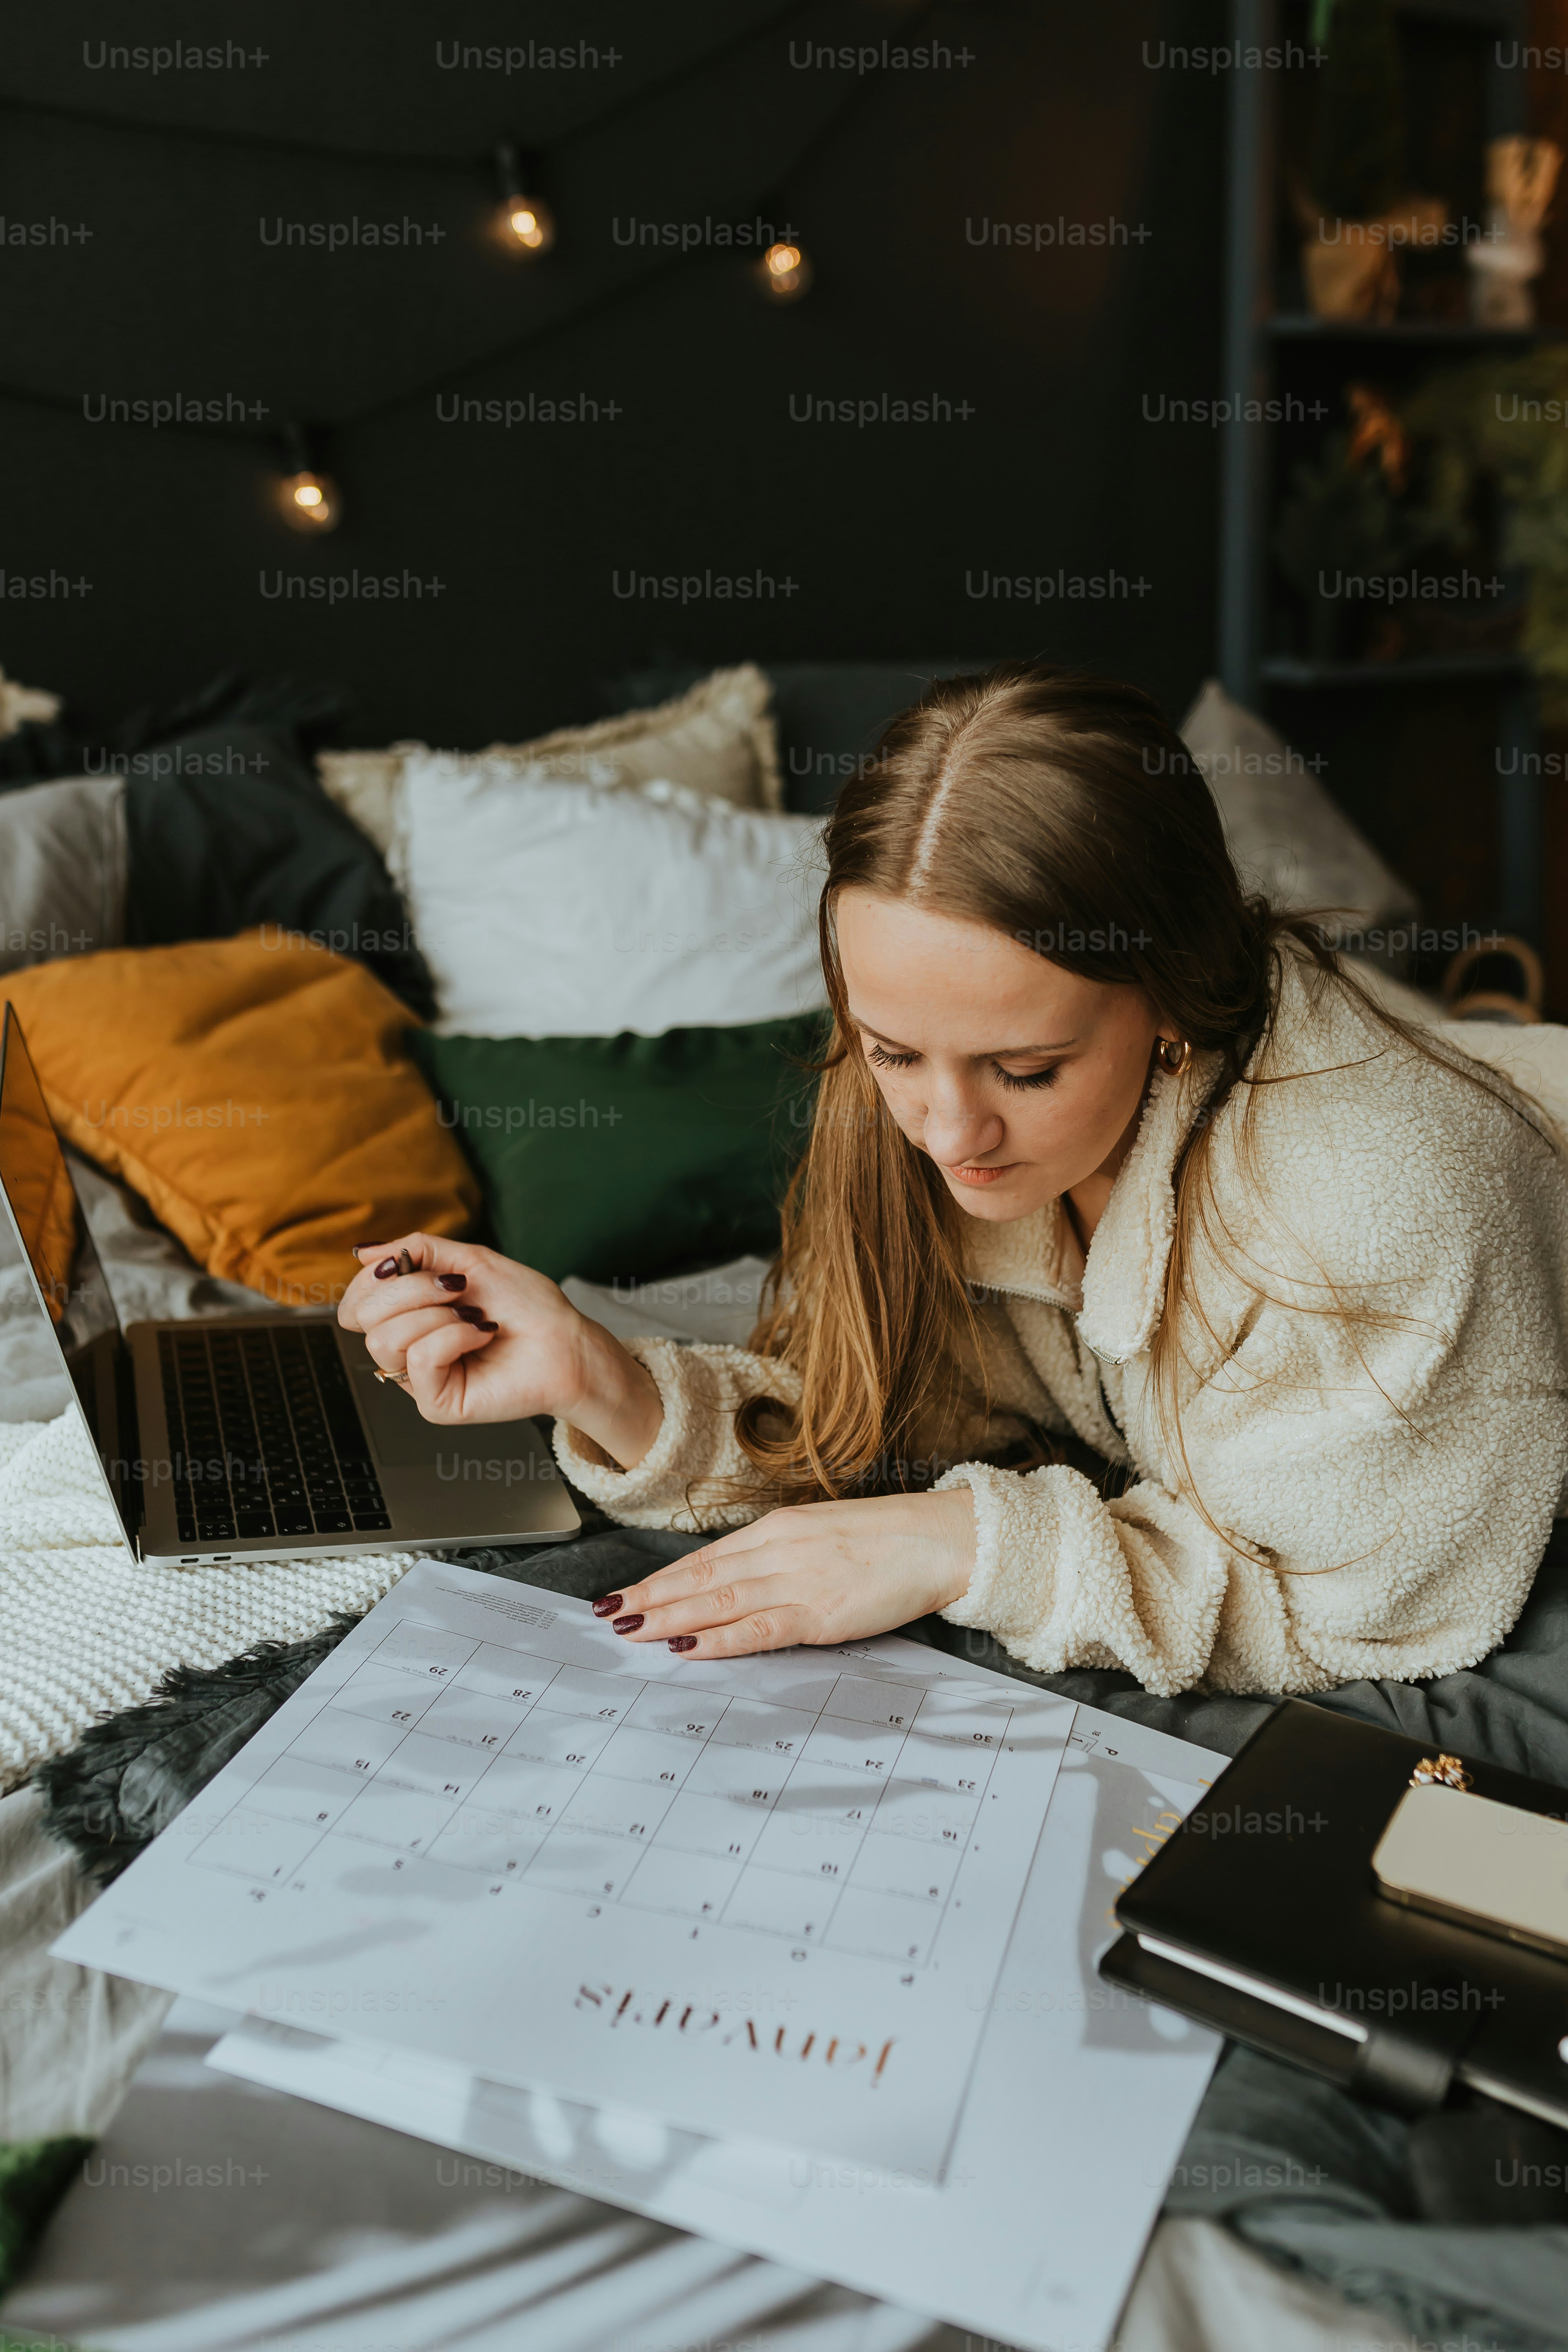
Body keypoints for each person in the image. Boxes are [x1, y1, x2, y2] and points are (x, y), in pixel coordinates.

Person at [342, 663, 1568, 1697]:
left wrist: (969, 1539)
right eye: (889, 1051)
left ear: (1173, 1001)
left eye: (1026, 1068)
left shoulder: (1368, 1200)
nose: (946, 1130)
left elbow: (1356, 1611)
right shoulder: (929, 1100)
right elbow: (875, 1420)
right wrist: (599, 1377)